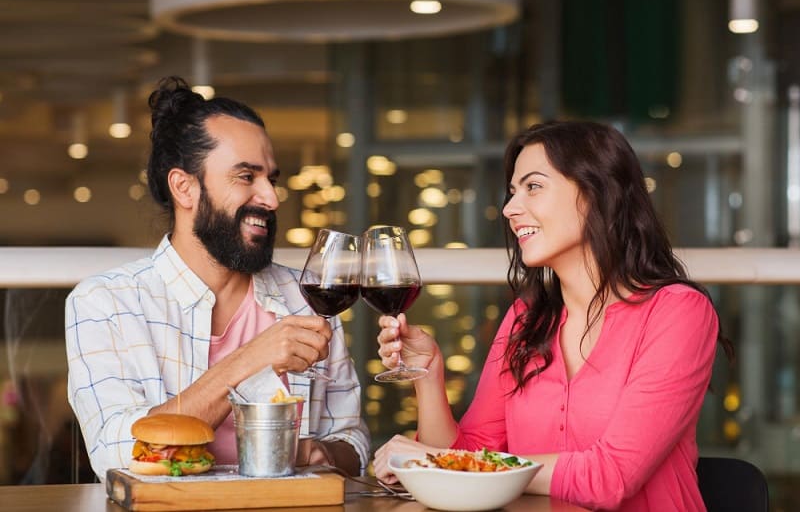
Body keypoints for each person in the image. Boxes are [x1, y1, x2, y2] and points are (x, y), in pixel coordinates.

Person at [372, 121, 733, 511]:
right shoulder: (525, 319)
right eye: (512, 192)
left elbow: (611, 476)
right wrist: (427, 374)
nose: (510, 209)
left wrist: (456, 466)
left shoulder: (677, 312)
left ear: (596, 193)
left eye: (533, 187)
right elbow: (468, 455)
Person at [65, 76, 369, 481]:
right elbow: (117, 454)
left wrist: (319, 452)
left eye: (271, 179)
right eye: (246, 177)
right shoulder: (104, 304)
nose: (271, 198)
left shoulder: (306, 299)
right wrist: (248, 361)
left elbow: (355, 441)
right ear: (184, 188)